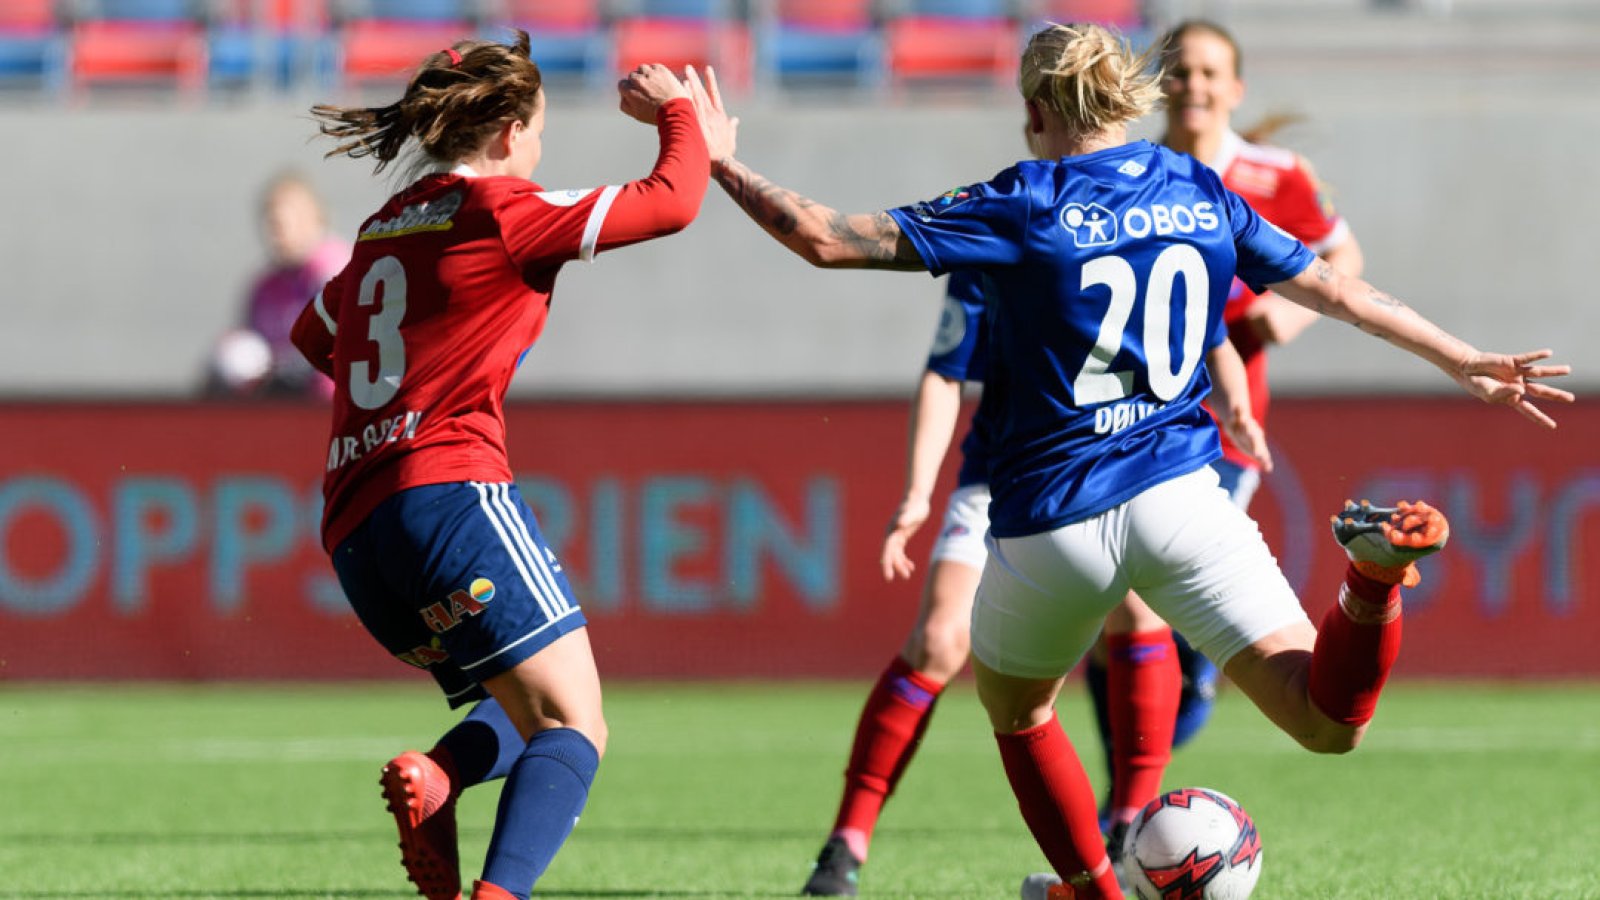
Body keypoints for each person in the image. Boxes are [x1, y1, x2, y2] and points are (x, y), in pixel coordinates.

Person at [678, 19, 1570, 898]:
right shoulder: (1196, 185)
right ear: (1129, 99)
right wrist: (1462, 358)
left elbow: (827, 236)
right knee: (1327, 720)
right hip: (1184, 502)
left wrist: (718, 159)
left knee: (1021, 713)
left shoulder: (1025, 198)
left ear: (1037, 108)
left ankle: (1097, 893)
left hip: (1051, 524)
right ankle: (1369, 586)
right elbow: (1333, 288)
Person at [288, 32, 708, 900]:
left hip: (357, 533)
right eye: (541, 130)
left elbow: (314, 336)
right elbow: (672, 202)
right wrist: (680, 114)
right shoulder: (505, 211)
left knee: (528, 696)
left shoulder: (381, 228)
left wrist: (409, 381)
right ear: (512, 129)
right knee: (576, 723)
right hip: (448, 495)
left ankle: (440, 780)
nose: (541, 148)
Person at [800, 271, 1267, 896]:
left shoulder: (1136, 221)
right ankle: (845, 844)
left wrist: (1235, 403)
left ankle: (1129, 820)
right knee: (940, 639)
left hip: (1111, 471)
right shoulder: (999, 229)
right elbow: (945, 371)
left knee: (1135, 611)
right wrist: (916, 491)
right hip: (1005, 476)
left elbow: (1212, 333)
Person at [1081, 17, 1371, 839]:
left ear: (1235, 88)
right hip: (1119, 418)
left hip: (1216, 427)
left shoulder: (1275, 174)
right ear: (1153, 85)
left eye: (1210, 72)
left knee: (1136, 603)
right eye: (1178, 72)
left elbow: (1343, 263)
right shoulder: (1125, 172)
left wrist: (1286, 316)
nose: (1193, 86)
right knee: (1116, 617)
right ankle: (1128, 790)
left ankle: (1135, 795)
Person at [208, 171, 348, 399]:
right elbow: (249, 347)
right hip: (279, 406)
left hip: (329, 405)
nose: (274, 234)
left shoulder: (333, 268)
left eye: (280, 223)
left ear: (312, 217)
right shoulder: (264, 286)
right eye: (269, 222)